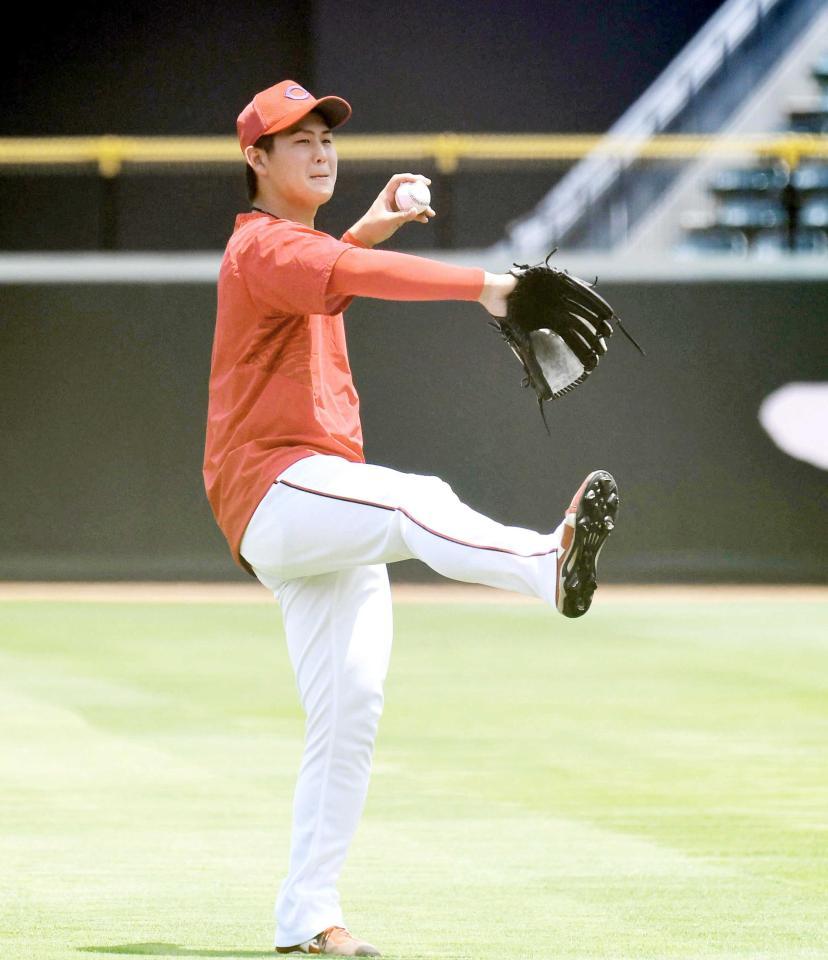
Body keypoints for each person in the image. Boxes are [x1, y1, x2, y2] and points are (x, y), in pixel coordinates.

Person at [203, 79, 619, 957]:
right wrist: (486, 286)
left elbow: (334, 271)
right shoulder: (262, 247)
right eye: (297, 139)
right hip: (276, 488)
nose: (320, 149)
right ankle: (547, 565)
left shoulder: (295, 250)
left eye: (326, 135)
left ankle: (307, 917)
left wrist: (371, 223)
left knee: (350, 707)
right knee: (413, 499)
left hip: (314, 505)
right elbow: (338, 275)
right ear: (255, 159)